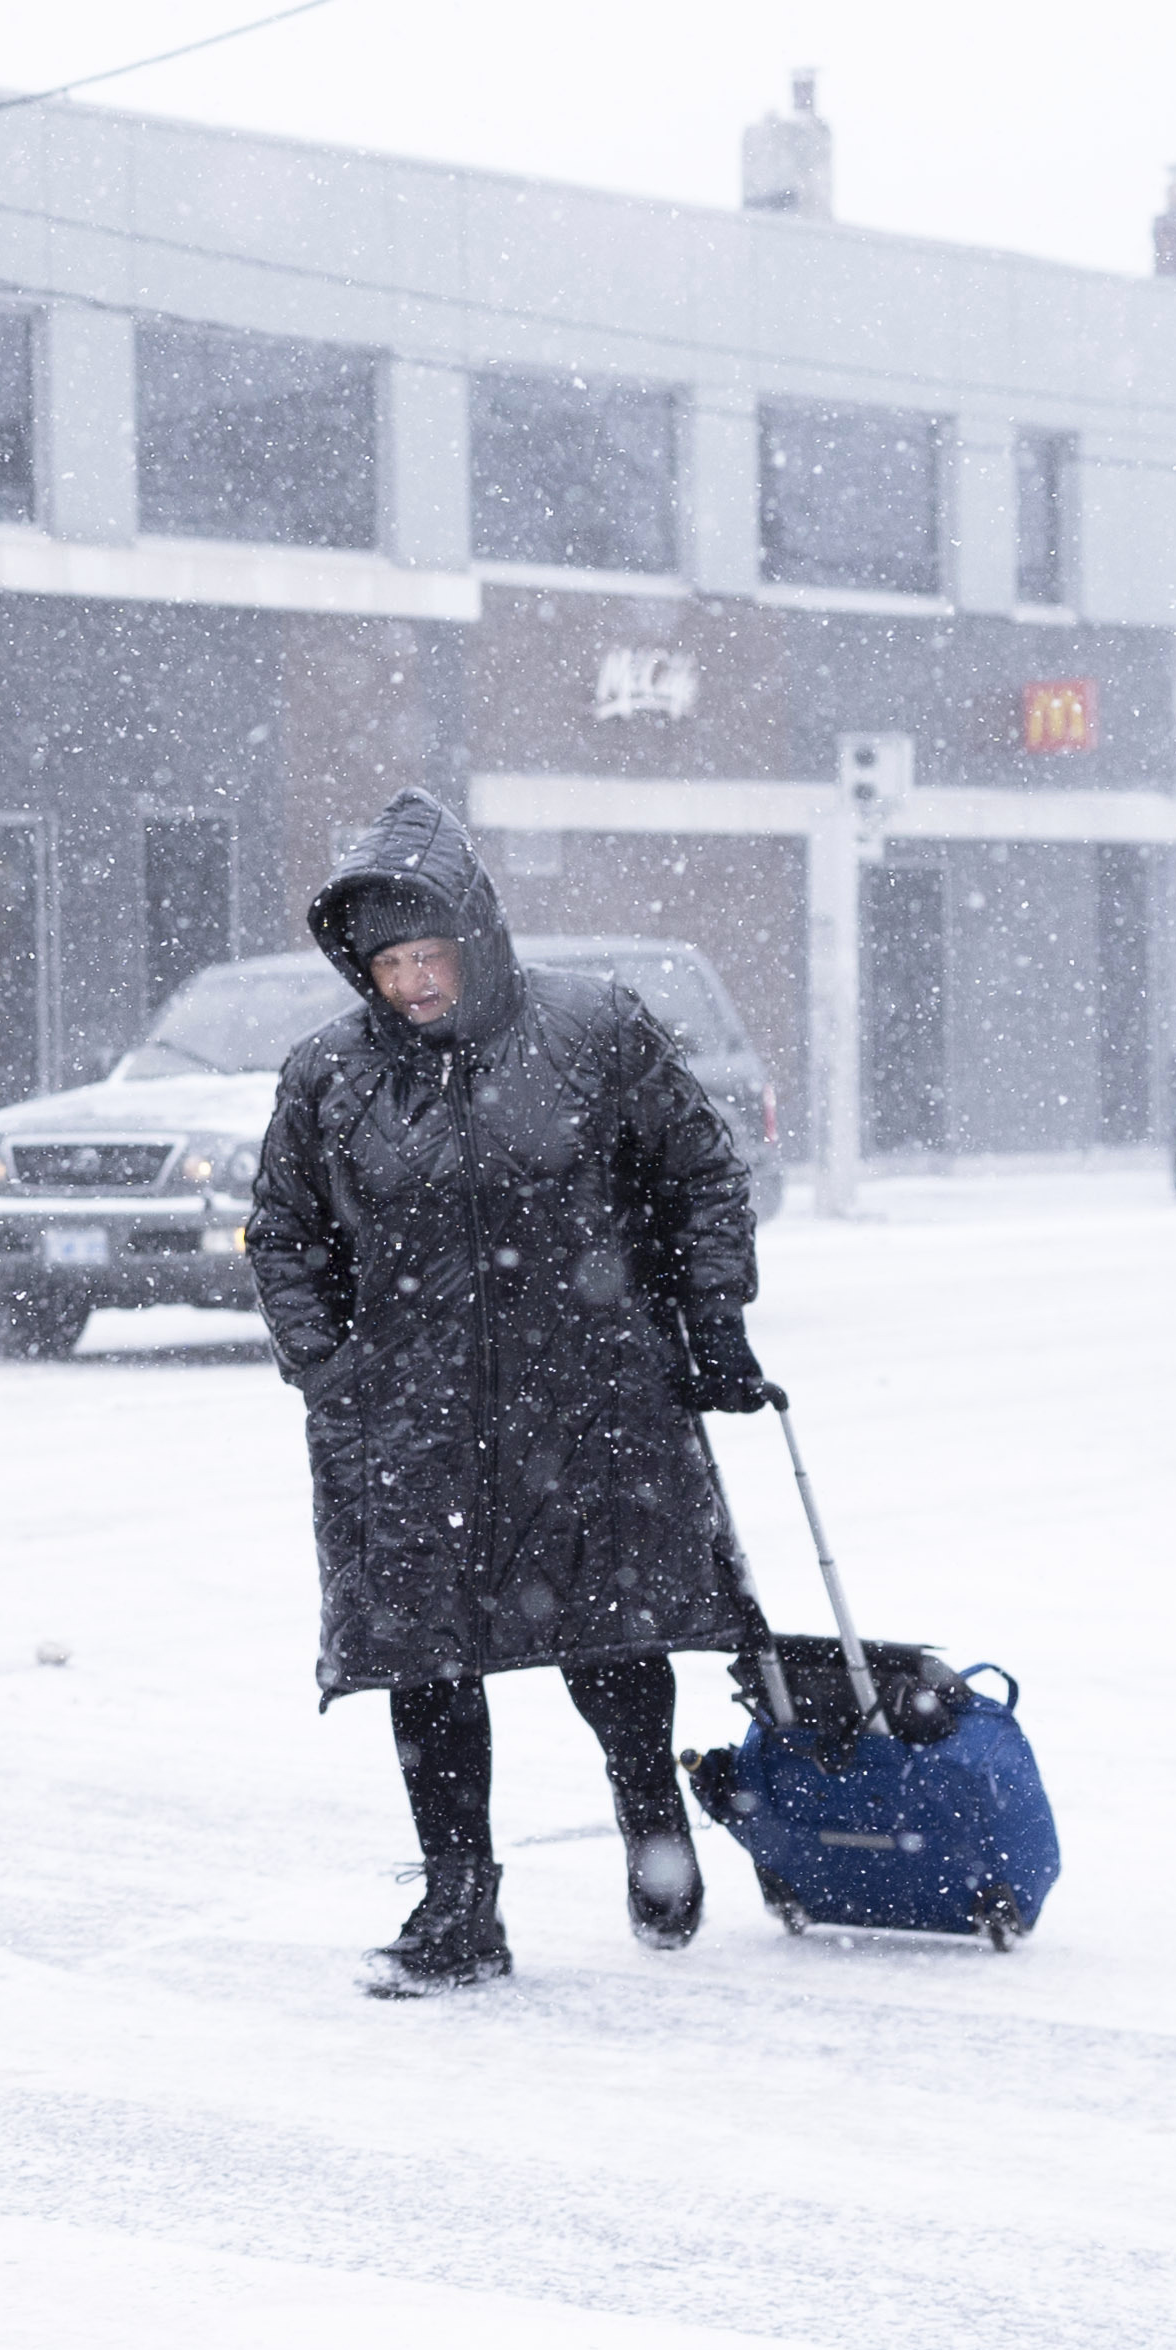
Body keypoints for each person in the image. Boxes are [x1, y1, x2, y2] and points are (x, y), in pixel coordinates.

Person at [249, 791, 775, 1997]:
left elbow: (699, 1175)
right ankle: (459, 1908)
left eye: (427, 956)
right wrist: (329, 1368)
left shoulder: (591, 1028)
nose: (412, 985)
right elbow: (282, 1230)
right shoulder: (329, 1075)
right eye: (388, 964)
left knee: (612, 1632)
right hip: (410, 1428)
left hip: (589, 1404)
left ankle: (652, 1827)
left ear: (472, 942)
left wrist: (711, 1324)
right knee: (424, 1665)